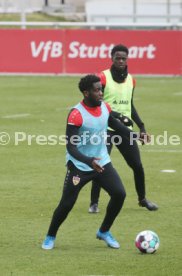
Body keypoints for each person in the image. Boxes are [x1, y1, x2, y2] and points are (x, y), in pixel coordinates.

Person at [42, 74, 141, 250]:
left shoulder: (105, 107)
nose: (101, 93)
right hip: (79, 165)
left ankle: (104, 231)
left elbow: (116, 125)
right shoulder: (76, 115)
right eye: (96, 90)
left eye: (101, 89)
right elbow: (71, 148)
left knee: (119, 194)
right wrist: (88, 161)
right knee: (66, 204)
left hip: (101, 161)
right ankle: (50, 236)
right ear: (86, 93)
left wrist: (135, 136)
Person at [88, 44, 158, 214]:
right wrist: (117, 115)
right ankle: (94, 203)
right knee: (100, 165)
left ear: (127, 59)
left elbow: (130, 104)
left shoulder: (131, 80)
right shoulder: (102, 78)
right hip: (105, 129)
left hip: (125, 130)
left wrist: (141, 126)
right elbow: (98, 102)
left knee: (137, 165)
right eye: (117, 58)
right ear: (112, 58)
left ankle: (142, 199)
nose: (120, 61)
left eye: (123, 58)